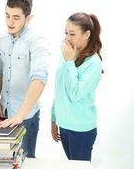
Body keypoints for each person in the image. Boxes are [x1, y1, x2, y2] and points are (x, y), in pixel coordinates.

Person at [0, 0, 50, 158]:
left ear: (28, 18)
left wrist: (19, 116)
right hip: (3, 112)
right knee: (4, 161)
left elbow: (39, 80)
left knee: (25, 161)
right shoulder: (1, 38)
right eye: (7, 15)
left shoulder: (38, 41)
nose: (10, 22)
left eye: (16, 17)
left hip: (25, 116)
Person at [51, 12, 103, 161]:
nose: (67, 37)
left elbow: (75, 94)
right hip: (64, 125)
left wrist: (69, 62)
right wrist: (54, 119)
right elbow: (59, 89)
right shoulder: (68, 54)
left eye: (72, 34)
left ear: (86, 34)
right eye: (66, 32)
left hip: (81, 129)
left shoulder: (94, 63)